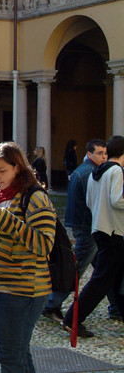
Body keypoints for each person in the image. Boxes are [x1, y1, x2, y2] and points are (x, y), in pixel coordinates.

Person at [0, 142, 56, 372]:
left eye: (2, 170)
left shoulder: (35, 197)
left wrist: (5, 220)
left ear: (17, 168)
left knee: (9, 357)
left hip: (23, 289)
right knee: (17, 352)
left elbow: (44, 244)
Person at [61, 135, 124, 338]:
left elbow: (89, 201)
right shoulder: (116, 171)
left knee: (115, 278)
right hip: (113, 231)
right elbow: (117, 200)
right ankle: (72, 319)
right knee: (101, 280)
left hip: (100, 228)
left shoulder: (98, 171)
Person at [42, 139, 109, 324]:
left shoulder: (84, 170)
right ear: (89, 154)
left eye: (105, 153)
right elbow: (94, 201)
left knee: (104, 267)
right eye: (100, 153)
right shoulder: (90, 173)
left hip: (85, 224)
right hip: (87, 226)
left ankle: (116, 306)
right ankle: (51, 304)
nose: (104, 157)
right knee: (75, 269)